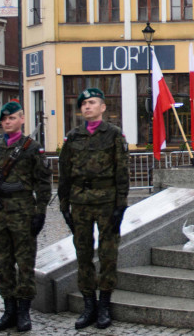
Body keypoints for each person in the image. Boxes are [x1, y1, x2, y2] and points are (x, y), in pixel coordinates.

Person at [0, 102, 51, 333]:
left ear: (21, 119)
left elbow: (43, 183)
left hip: (24, 210)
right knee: (2, 263)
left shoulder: (32, 148)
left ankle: (24, 312)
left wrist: (41, 212)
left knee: (25, 264)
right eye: (4, 119)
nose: (7, 122)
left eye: (12, 118)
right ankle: (9, 311)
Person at [58, 88, 129, 329]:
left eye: (92, 102)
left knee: (108, 255)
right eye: (84, 104)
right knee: (83, 254)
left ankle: (104, 306)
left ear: (103, 107)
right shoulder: (73, 137)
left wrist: (121, 204)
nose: (87, 107)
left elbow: (122, 172)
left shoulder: (114, 135)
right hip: (80, 202)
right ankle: (89, 305)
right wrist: (64, 205)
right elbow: (64, 173)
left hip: (107, 201)